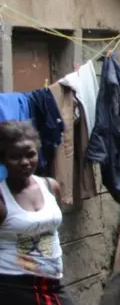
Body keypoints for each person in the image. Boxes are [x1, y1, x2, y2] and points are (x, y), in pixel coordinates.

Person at [0, 121, 75, 304]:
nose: (25, 162)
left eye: (30, 154)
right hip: (14, 284)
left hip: (53, 282)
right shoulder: (2, 198)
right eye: (15, 157)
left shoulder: (51, 186)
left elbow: (53, 229)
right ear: (3, 159)